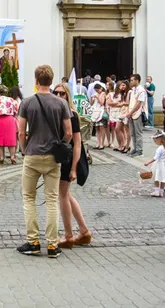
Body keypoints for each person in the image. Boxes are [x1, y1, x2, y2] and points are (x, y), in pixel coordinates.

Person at [17, 65, 72, 258]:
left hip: (32, 155)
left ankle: (33, 242)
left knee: (29, 198)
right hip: (52, 156)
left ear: (36, 80)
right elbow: (68, 132)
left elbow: (21, 131)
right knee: (52, 199)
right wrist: (62, 146)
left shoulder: (27, 102)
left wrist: (24, 149)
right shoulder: (61, 103)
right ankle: (52, 245)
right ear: (51, 80)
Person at [52, 83, 91, 248]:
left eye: (63, 94)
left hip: (69, 158)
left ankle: (69, 236)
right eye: (57, 93)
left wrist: (74, 167)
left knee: (63, 194)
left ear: (67, 95)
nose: (59, 96)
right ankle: (83, 231)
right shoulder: (56, 112)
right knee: (66, 194)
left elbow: (77, 143)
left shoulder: (72, 114)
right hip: (62, 156)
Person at [0, 85, 19, 164]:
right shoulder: (12, 100)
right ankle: (12, 156)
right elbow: (17, 110)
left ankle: (1, 157)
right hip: (9, 119)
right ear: (6, 92)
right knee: (11, 138)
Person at [143, 131, 165, 197]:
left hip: (159, 165)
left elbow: (155, 157)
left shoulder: (160, 148)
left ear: (160, 139)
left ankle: (156, 191)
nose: (155, 141)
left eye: (155, 140)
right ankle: (161, 192)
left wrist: (148, 162)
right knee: (163, 179)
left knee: (157, 178)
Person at [126, 74, 147, 157]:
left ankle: (139, 150)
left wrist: (130, 113)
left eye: (132, 80)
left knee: (138, 133)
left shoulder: (141, 90)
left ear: (137, 80)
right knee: (132, 133)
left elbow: (138, 104)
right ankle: (134, 148)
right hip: (131, 113)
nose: (130, 81)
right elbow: (131, 102)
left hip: (138, 113)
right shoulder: (133, 90)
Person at [114, 80, 131, 153]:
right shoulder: (123, 93)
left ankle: (127, 146)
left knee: (127, 130)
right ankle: (122, 144)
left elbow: (131, 103)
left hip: (127, 112)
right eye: (121, 85)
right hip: (122, 111)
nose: (122, 87)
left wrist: (123, 104)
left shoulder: (130, 92)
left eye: (124, 85)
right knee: (117, 128)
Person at [90, 84, 107, 150]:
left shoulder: (103, 94)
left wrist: (97, 97)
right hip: (95, 111)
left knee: (101, 128)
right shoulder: (95, 94)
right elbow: (91, 103)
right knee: (97, 128)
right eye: (95, 90)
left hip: (101, 111)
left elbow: (102, 103)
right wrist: (92, 99)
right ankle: (98, 143)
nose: (97, 91)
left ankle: (102, 144)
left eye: (97, 89)